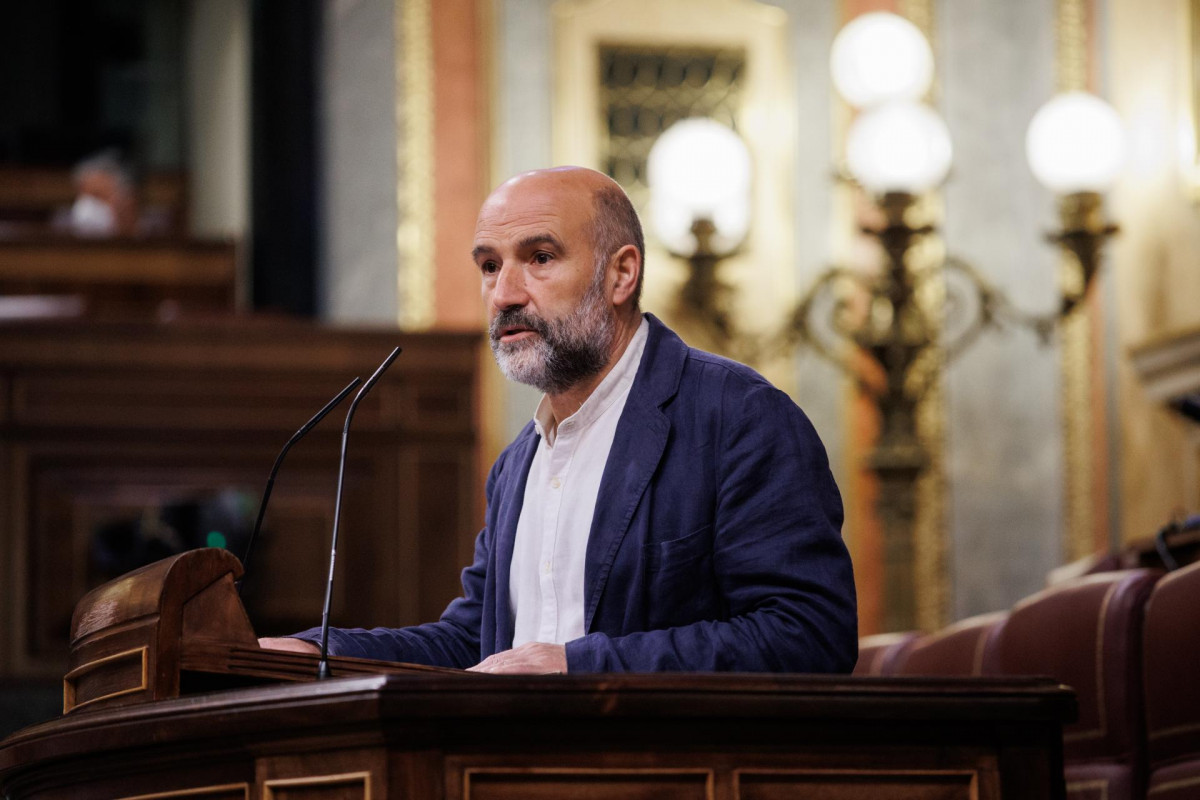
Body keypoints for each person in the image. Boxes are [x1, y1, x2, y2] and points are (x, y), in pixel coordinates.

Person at [260, 166, 857, 674]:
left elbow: (809, 634)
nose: (504, 294)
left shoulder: (738, 418)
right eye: (489, 266)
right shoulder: (518, 463)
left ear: (621, 274)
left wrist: (578, 666)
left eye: (540, 258)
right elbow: (475, 645)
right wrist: (313, 651)